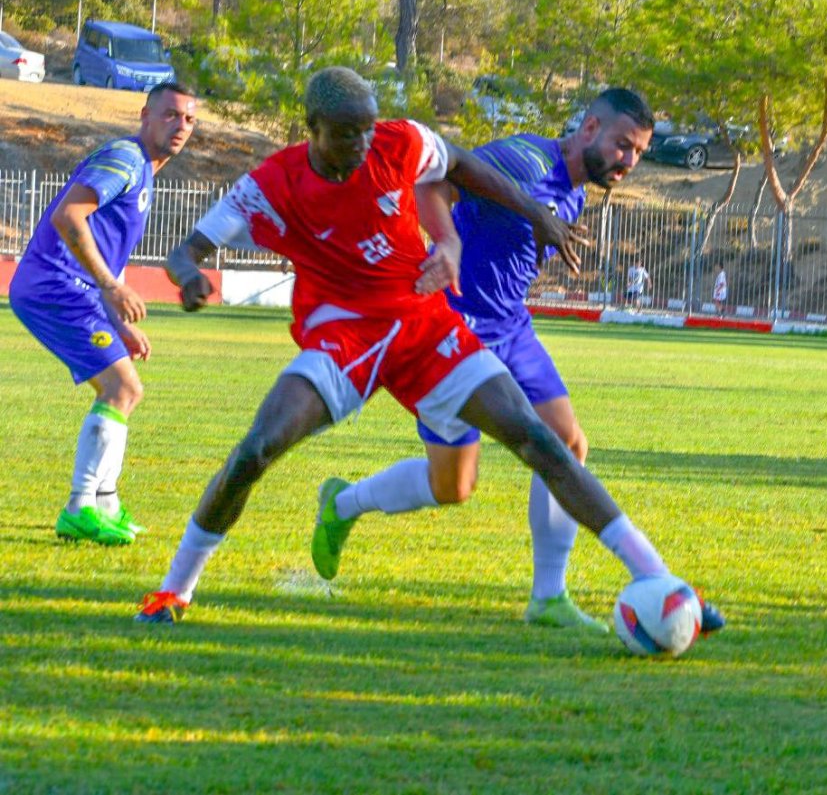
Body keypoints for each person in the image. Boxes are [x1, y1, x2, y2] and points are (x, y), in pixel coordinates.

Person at [135, 67, 721, 636]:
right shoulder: (269, 186)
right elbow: (188, 249)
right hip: (345, 335)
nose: (364, 145)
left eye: (368, 129)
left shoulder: (398, 141)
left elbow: (456, 161)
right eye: (347, 134)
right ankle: (174, 589)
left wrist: (463, 236)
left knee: (542, 439)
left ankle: (659, 579)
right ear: (311, 128)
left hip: (424, 324)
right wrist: (190, 279)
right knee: (258, 449)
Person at [311, 89, 670, 632]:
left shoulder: (572, 192)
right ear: (590, 126)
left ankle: (548, 597)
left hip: (510, 327)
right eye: (623, 145)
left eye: (639, 152)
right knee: (452, 486)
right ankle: (345, 503)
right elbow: (433, 179)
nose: (629, 162)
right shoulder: (525, 158)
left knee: (567, 441)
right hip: (450, 328)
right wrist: (447, 243)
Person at [9, 82, 198, 545]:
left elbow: (104, 249)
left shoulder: (144, 173)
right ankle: (80, 507)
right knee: (121, 387)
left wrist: (117, 323)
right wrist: (113, 289)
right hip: (54, 285)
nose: (180, 127)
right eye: (170, 115)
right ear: (145, 115)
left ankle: (106, 504)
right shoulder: (125, 159)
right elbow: (69, 217)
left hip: (73, 289)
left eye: (189, 120)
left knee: (126, 389)